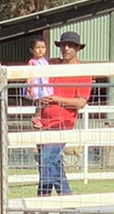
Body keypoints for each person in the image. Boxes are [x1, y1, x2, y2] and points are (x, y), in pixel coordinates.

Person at [35, 32, 91, 196]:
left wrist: (55, 99)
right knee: (54, 162)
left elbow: (80, 102)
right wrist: (37, 112)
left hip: (63, 122)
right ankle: (67, 199)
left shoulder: (83, 72)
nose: (66, 49)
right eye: (63, 45)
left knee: (47, 160)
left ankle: (42, 201)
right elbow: (40, 90)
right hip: (44, 122)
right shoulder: (50, 65)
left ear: (77, 49)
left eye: (70, 46)